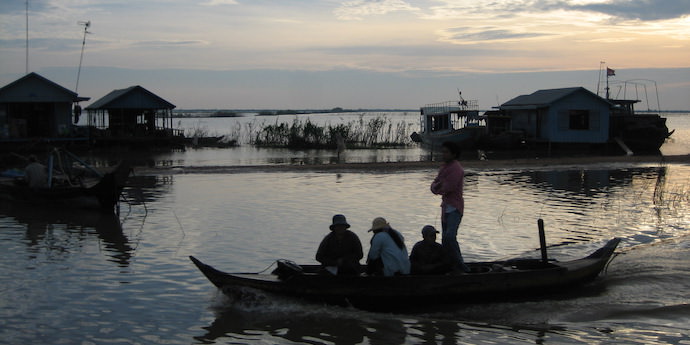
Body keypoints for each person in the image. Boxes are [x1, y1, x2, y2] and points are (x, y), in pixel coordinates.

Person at [430, 141, 468, 272]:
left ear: (454, 154)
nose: (443, 154)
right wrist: (438, 186)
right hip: (446, 208)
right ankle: (450, 266)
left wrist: (438, 186)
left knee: (449, 237)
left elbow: (447, 187)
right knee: (446, 240)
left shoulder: (457, 169)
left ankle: (461, 266)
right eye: (443, 151)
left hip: (455, 208)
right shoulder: (444, 168)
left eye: (446, 152)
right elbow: (435, 186)